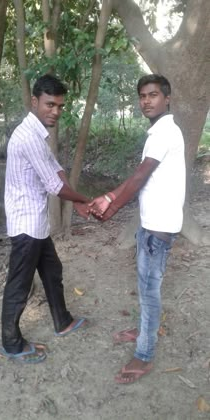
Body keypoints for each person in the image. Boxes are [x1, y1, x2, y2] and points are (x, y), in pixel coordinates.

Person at [89, 74, 186, 384]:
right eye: (143, 95)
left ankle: (144, 356)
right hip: (152, 225)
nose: (146, 100)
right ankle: (144, 329)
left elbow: (140, 176)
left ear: (167, 98)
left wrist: (110, 202)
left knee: (150, 292)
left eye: (153, 95)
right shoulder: (159, 130)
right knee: (146, 288)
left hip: (158, 229)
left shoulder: (164, 133)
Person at [0, 74, 90, 363]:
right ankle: (12, 343)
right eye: (50, 104)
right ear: (34, 101)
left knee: (52, 270)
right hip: (26, 225)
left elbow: (55, 168)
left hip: (36, 224)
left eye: (60, 106)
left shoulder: (38, 134)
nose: (55, 111)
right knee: (19, 284)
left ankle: (62, 321)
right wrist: (84, 201)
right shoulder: (28, 137)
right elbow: (54, 186)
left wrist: (74, 196)